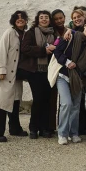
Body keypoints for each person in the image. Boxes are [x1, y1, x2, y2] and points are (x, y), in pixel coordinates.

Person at [52, 22, 86, 145]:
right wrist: (67, 62)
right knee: (66, 104)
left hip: (78, 78)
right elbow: (57, 52)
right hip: (63, 75)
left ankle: (73, 133)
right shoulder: (70, 36)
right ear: (85, 26)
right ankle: (62, 133)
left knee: (76, 106)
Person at [0, 11, 29, 142]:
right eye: (17, 18)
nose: (20, 20)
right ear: (13, 20)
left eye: (22, 18)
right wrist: (1, 70)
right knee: (0, 103)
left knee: (15, 101)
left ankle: (15, 128)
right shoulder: (9, 33)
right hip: (6, 72)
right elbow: (1, 51)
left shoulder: (25, 34)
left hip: (17, 74)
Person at [19, 10, 56, 139]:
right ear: (37, 19)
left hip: (49, 71)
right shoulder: (31, 32)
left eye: (46, 17)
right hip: (35, 71)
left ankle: (44, 128)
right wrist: (43, 50)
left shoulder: (53, 33)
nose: (44, 19)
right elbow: (25, 48)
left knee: (46, 99)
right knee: (38, 99)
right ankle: (33, 128)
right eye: (41, 17)